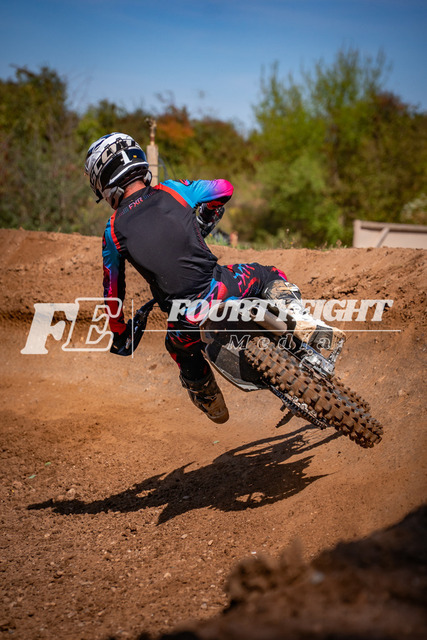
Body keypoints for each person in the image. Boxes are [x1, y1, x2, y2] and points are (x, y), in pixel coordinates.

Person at [85, 132, 344, 425]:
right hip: (221, 288)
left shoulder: (112, 231)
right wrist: (207, 215)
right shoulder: (172, 190)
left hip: (184, 320)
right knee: (268, 275)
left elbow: (112, 294)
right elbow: (224, 188)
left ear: (104, 181)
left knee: (178, 349)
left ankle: (208, 397)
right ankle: (299, 318)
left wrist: (120, 332)